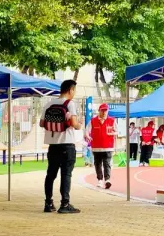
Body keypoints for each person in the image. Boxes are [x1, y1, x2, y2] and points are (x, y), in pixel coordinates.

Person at [40, 80, 83, 213]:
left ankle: (48, 203)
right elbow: (74, 124)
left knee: (50, 175)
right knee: (66, 174)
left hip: (52, 146)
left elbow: (41, 123)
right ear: (70, 90)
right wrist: (78, 125)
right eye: (74, 90)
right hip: (67, 145)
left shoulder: (49, 104)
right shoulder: (70, 104)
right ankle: (64, 204)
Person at [87, 103, 116, 189]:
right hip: (96, 147)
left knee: (107, 163)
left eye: (105, 111)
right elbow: (87, 130)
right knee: (97, 164)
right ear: (99, 111)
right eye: (102, 110)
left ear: (108, 111)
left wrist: (113, 133)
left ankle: (107, 180)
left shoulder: (112, 120)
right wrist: (87, 136)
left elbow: (117, 131)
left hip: (108, 146)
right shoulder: (93, 121)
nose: (104, 112)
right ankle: (100, 180)